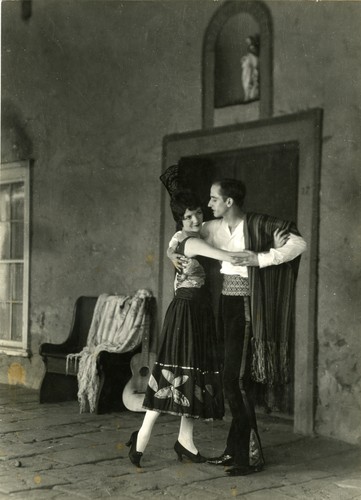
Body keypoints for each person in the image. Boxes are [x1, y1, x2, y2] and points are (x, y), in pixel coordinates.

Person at [170, 178, 306, 477]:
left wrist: (262, 258)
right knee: (229, 378)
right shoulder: (211, 228)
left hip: (249, 303)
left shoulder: (258, 224)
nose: (209, 205)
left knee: (237, 380)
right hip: (225, 304)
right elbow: (182, 236)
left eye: (214, 199)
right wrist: (171, 253)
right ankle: (235, 450)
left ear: (229, 202)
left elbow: (298, 242)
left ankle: (250, 456)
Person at [126, 188, 251, 468]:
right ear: (179, 220)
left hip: (197, 312)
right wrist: (262, 255)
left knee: (192, 376)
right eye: (188, 216)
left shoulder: (183, 237)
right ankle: (141, 438)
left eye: (197, 213)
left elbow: (174, 243)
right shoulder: (192, 243)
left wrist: (171, 251)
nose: (195, 219)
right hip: (186, 312)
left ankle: (185, 441)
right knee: (172, 376)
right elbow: (225, 256)